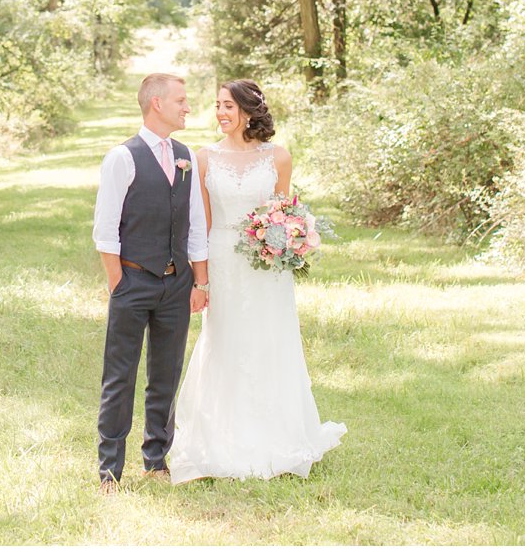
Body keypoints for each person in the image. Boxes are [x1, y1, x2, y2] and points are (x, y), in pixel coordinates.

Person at [167, 78, 345, 483]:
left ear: (249, 110)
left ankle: (278, 435)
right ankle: (221, 436)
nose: (220, 113)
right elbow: (202, 224)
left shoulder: (278, 158)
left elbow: (287, 211)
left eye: (228, 106)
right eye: (217, 106)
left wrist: (289, 240)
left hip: (268, 269)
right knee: (226, 340)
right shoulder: (205, 158)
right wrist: (202, 280)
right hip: (225, 261)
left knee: (270, 340)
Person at [92, 73, 210, 493]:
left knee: (166, 373)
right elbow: (105, 231)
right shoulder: (122, 158)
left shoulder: (186, 157)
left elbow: (195, 225)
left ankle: (156, 459)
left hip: (177, 286)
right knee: (119, 375)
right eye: (181, 100)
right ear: (156, 104)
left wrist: (200, 282)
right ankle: (109, 468)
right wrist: (119, 283)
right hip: (134, 282)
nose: (188, 107)